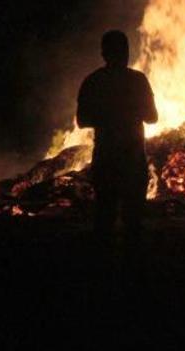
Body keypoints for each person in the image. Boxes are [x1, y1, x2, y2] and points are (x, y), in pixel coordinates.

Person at [77, 30, 158, 242]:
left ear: (103, 53)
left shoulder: (93, 81)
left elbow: (82, 120)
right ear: (126, 52)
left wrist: (106, 117)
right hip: (132, 158)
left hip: (106, 157)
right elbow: (152, 117)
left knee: (104, 216)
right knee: (133, 221)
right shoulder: (138, 80)